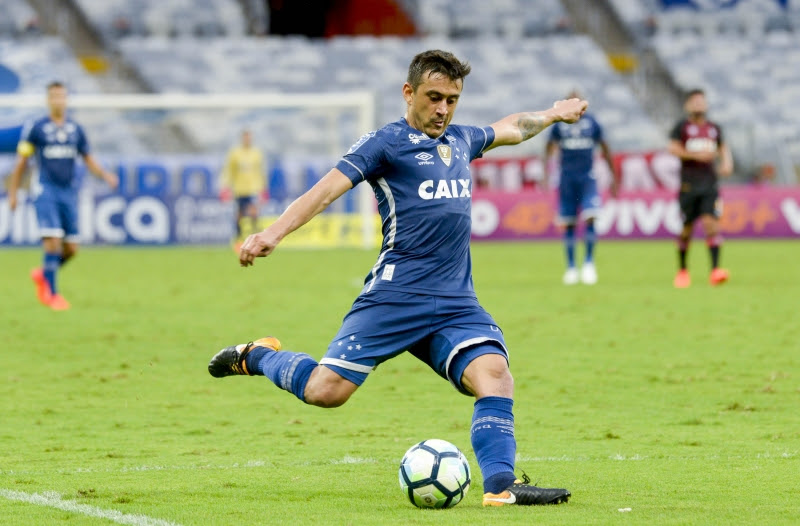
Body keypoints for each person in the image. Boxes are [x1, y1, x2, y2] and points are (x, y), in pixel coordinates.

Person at [208, 50, 586, 507]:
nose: (443, 109)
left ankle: (501, 486)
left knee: (495, 375)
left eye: (452, 100)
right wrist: (273, 233)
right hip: (395, 296)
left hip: (455, 301)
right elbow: (325, 190)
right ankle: (257, 356)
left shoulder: (462, 140)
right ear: (409, 93)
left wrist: (553, 113)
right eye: (433, 97)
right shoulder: (384, 144)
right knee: (325, 392)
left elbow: (512, 128)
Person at [7, 81, 118, 310]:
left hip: (68, 192)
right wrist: (13, 192)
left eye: (62, 96)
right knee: (53, 242)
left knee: (72, 249)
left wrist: (105, 175)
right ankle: (53, 294)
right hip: (45, 190)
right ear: (48, 100)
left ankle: (43, 274)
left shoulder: (76, 130)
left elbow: (88, 158)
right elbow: (21, 162)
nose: (58, 100)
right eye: (54, 96)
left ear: (66, 100)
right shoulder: (36, 128)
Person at [543, 90, 618, 286]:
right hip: (566, 179)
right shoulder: (559, 124)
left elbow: (605, 147)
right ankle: (571, 268)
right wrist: (545, 173)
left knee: (591, 217)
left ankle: (589, 264)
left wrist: (613, 177)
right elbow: (549, 147)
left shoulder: (592, 123)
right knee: (569, 223)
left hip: (587, 178)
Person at [668, 88, 733, 288]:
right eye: (695, 101)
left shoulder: (714, 128)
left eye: (701, 101)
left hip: (709, 185)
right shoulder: (682, 127)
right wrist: (696, 155)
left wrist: (727, 162)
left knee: (711, 225)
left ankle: (715, 270)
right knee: (686, 230)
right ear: (688, 105)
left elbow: (722, 147)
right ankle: (682, 270)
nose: (698, 104)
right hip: (688, 185)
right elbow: (673, 149)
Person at [219, 129, 266, 245]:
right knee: (239, 214)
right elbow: (229, 171)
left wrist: (263, 188)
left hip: (253, 188)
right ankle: (238, 238)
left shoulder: (256, 153)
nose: (248, 139)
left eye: (249, 137)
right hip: (239, 189)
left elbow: (261, 171)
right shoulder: (235, 153)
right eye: (246, 137)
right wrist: (225, 186)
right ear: (242, 138)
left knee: (254, 212)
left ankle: (256, 237)